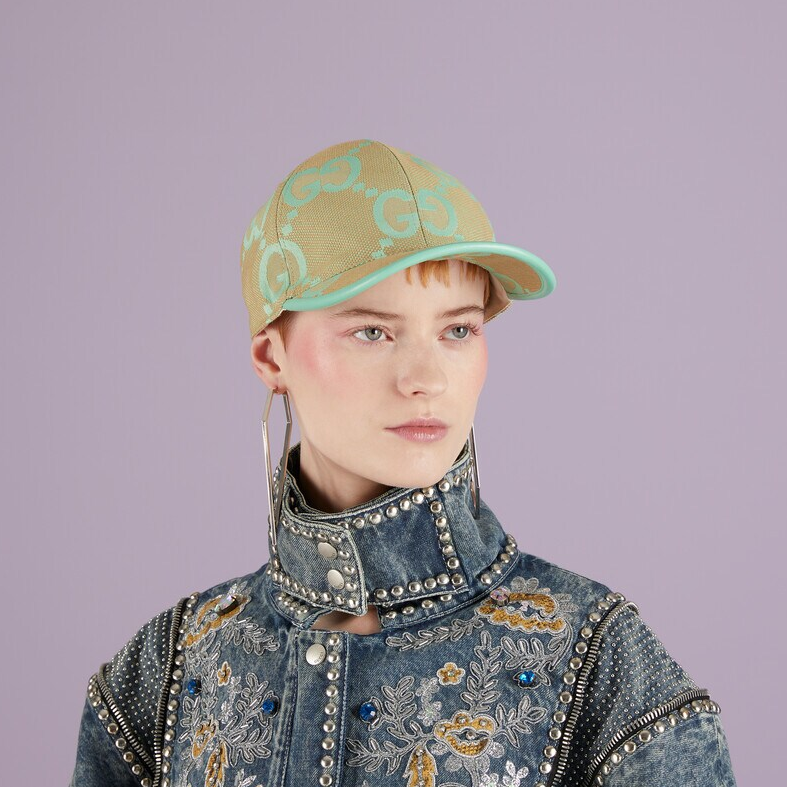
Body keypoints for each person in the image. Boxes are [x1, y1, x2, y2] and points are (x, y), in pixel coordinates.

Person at [69, 139, 736, 787]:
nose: (426, 378)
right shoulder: (165, 671)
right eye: (372, 331)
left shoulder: (597, 661)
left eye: (457, 330)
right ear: (272, 357)